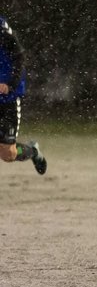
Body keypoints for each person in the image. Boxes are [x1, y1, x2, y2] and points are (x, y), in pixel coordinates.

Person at [0, 16, 47, 176]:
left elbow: (19, 57)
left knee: (8, 154)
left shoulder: (2, 31)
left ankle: (33, 151)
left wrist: (10, 84)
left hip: (7, 100)